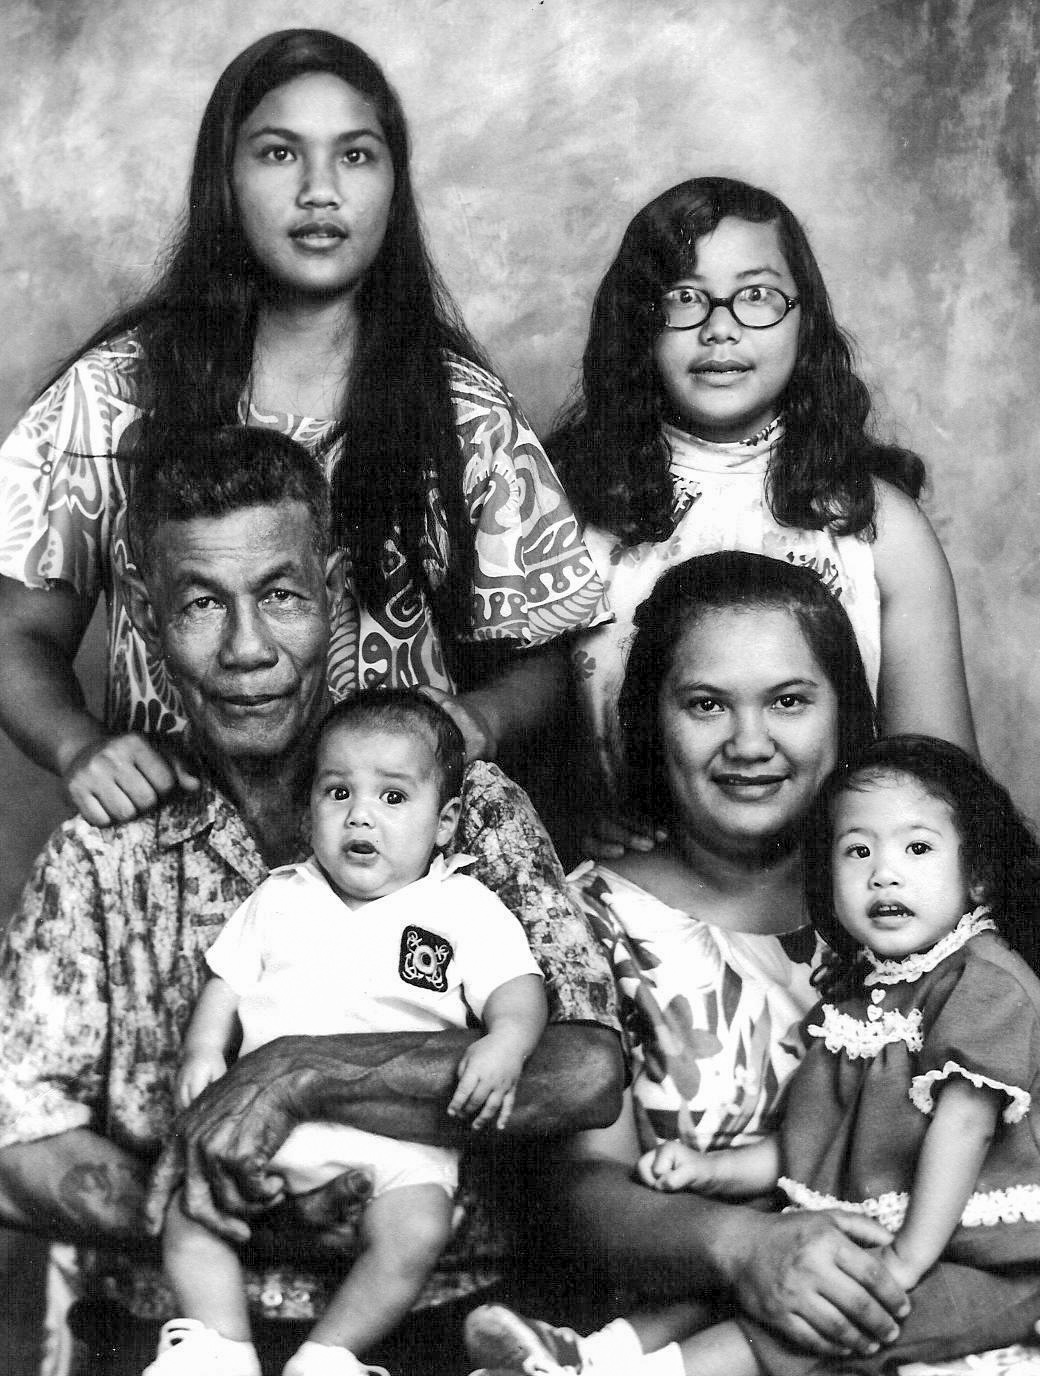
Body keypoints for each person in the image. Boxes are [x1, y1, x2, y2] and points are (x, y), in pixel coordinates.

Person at [0, 427, 622, 1376]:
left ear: (333, 587)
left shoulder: (466, 808)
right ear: (149, 613)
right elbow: (16, 1141)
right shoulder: (108, 845)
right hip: (165, 1329)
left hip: (438, 1319)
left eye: (281, 596)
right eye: (202, 604)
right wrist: (238, 1204)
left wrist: (297, 1073)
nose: (248, 650)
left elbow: (581, 1075)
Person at [0, 27, 607, 828]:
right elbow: (17, 630)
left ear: (395, 183)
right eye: (280, 154)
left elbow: (547, 657)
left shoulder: (461, 412)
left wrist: (479, 721)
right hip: (178, 853)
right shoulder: (114, 394)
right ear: (225, 178)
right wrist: (78, 744)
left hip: (388, 875)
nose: (321, 190)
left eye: (355, 155)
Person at [462, 553, 1033, 1376]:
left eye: (791, 701)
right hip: (706, 1333)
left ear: (846, 713)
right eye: (705, 705)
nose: (750, 743)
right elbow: (578, 1195)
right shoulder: (581, 919)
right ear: (651, 721)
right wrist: (743, 1246)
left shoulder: (932, 921)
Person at [151, 690, 549, 1376]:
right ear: (310, 813)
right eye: (338, 793)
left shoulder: (460, 907)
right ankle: (222, 1349)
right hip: (268, 1131)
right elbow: (227, 981)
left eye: (393, 798)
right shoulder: (281, 897)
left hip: (397, 1139)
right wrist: (204, 1048)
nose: (360, 814)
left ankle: (328, 1356)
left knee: (418, 1229)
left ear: (445, 820)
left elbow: (519, 987)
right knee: (191, 1213)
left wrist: (506, 1040)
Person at [548, 176, 975, 801]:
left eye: (756, 295)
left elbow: (944, 795)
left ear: (807, 321)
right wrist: (577, 813)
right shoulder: (562, 509)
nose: (720, 328)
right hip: (622, 875)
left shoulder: (880, 525)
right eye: (683, 297)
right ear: (637, 322)